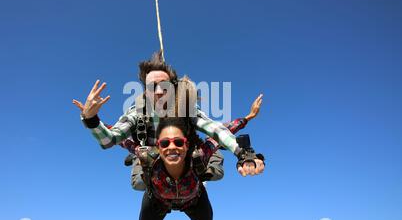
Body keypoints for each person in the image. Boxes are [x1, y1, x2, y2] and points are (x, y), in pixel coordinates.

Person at [72, 51, 263, 179]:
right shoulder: (138, 112)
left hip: (185, 160)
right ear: (145, 92)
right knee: (139, 180)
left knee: (213, 170)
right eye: (151, 87)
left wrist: (243, 153)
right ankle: (144, 169)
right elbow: (110, 139)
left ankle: (203, 170)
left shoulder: (185, 107)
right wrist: (91, 120)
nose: (159, 91)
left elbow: (216, 130)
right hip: (155, 162)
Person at [138, 117, 265, 220]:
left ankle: (206, 174)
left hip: (192, 201)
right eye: (165, 143)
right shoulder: (148, 157)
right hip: (158, 202)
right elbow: (121, 140)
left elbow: (222, 133)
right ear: (159, 147)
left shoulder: (198, 156)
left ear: (186, 145)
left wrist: (247, 119)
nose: (171, 147)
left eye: (178, 142)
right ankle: (142, 172)